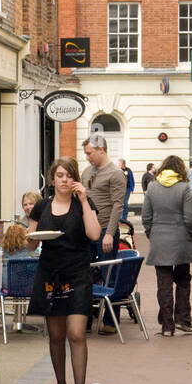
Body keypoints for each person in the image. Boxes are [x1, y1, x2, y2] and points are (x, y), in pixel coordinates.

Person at [28, 157, 101, 384]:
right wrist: (28, 236)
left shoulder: (84, 204)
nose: (64, 180)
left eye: (69, 175)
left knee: (76, 333)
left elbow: (94, 235)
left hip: (78, 273)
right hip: (50, 273)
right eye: (60, 175)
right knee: (57, 335)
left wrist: (83, 200)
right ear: (52, 179)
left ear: (75, 179)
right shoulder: (42, 207)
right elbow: (31, 242)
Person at [142, 155, 192, 336]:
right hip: (182, 240)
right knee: (183, 280)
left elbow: (146, 218)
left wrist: (153, 235)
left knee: (164, 284)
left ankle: (167, 326)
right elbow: (190, 218)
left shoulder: (152, 187)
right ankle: (183, 320)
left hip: (159, 241)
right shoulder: (184, 188)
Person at [80, 134, 127, 334]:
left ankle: (110, 320)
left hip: (106, 230)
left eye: (90, 153)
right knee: (85, 274)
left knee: (109, 275)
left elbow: (118, 205)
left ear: (101, 150)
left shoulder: (116, 174)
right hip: (87, 231)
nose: (87, 157)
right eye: (86, 154)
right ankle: (86, 320)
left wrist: (110, 233)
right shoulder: (87, 171)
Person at [119, 158, 135, 223]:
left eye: (119, 163)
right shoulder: (118, 170)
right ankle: (119, 218)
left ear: (123, 164)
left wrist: (132, 188)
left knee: (125, 203)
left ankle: (124, 218)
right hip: (119, 189)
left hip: (127, 189)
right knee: (120, 203)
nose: (118, 165)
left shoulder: (128, 170)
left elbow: (131, 179)